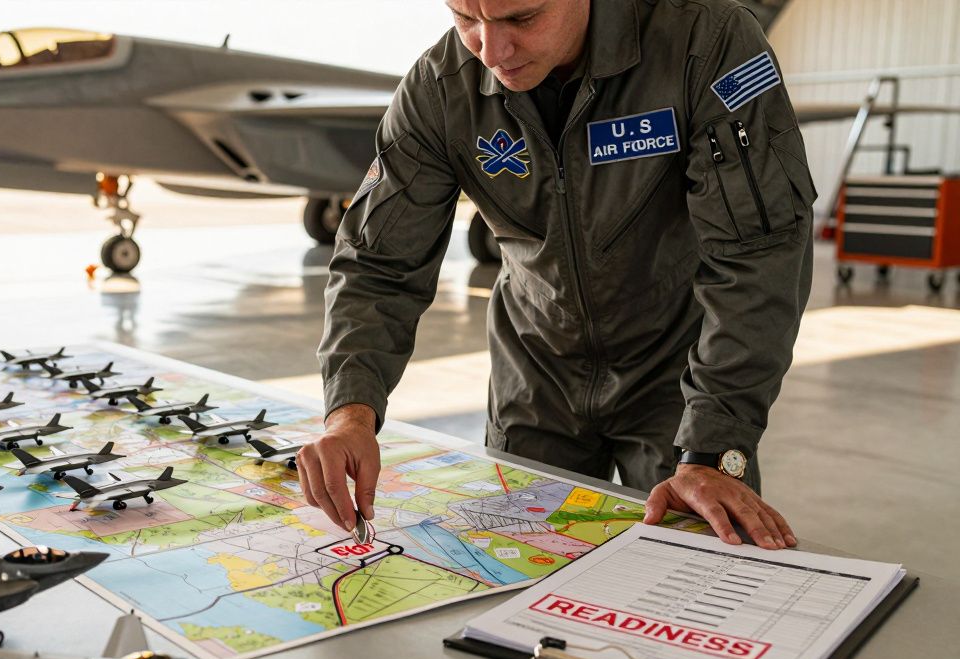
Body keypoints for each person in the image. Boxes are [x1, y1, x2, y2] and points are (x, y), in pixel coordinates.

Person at [299, 0, 817, 551]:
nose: (491, 52)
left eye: (522, 18)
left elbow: (760, 255)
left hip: (682, 375)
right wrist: (350, 414)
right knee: (519, 566)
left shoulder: (704, 42)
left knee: (692, 571)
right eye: (465, 18)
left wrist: (714, 446)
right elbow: (378, 264)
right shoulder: (440, 88)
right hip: (536, 380)